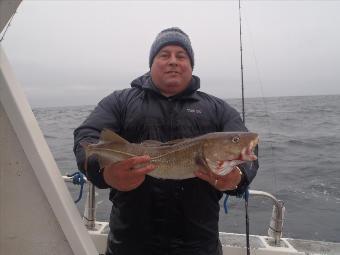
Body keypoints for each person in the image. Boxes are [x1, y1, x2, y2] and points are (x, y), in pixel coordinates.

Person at [73, 27, 259, 255]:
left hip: (199, 246)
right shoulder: (119, 102)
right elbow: (86, 138)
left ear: (191, 65)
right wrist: (105, 174)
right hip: (129, 244)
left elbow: (250, 153)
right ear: (152, 63)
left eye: (181, 56)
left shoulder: (219, 109)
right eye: (164, 55)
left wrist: (237, 178)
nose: (173, 61)